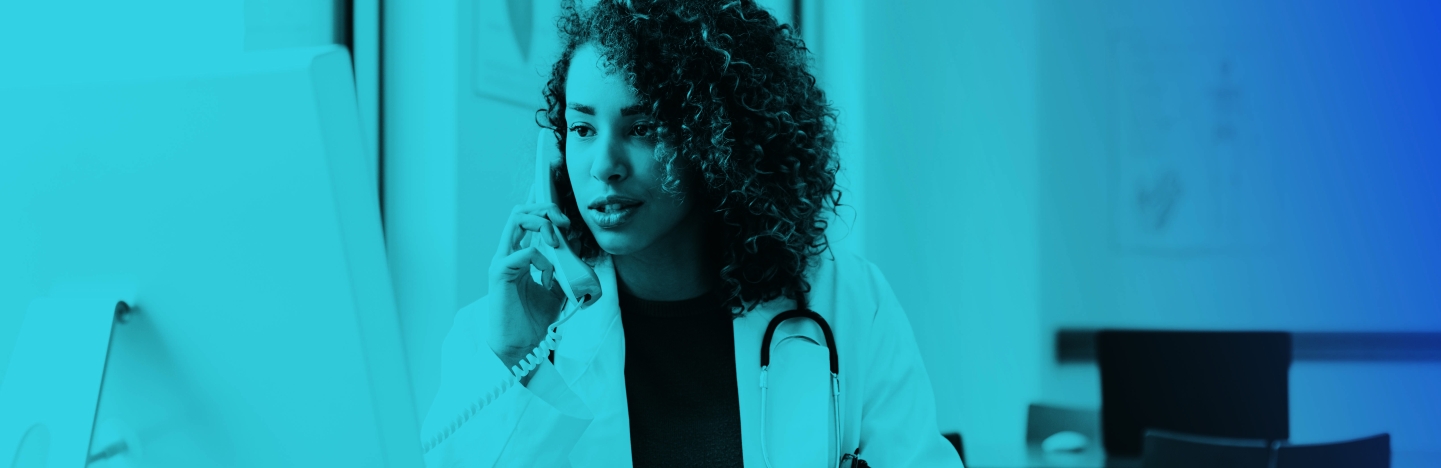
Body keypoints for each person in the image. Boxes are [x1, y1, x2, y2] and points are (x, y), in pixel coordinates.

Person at [421, 1, 963, 466]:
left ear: (717, 142)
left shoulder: (849, 304)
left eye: (643, 128)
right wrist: (519, 357)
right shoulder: (504, 332)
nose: (604, 165)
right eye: (582, 129)